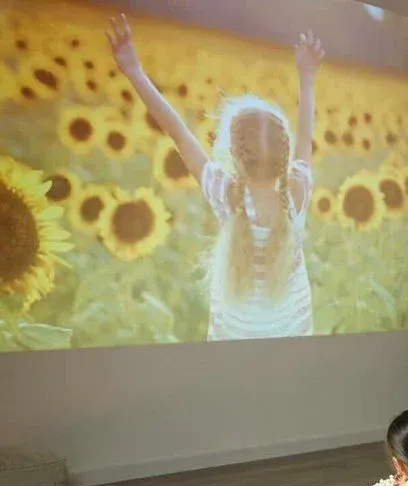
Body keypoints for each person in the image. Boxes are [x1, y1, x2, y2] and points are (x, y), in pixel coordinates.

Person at [106, 14, 320, 341]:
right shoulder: (297, 195)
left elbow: (178, 133)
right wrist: (307, 77)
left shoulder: (227, 196)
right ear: (285, 154)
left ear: (234, 155)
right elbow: (306, 136)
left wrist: (134, 70)